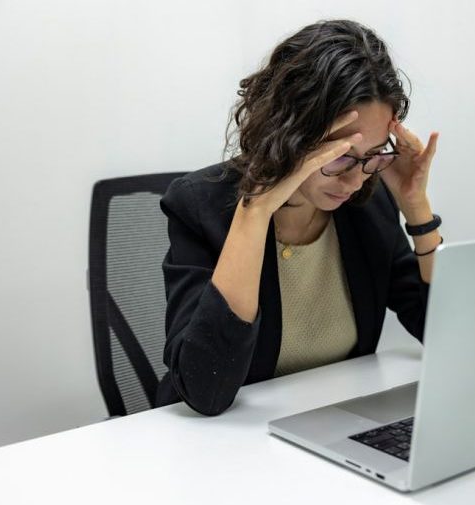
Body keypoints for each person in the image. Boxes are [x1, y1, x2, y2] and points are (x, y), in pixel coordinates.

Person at [156, 19, 442, 415]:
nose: (354, 179)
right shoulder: (200, 205)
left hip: (329, 426)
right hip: (219, 446)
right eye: (339, 154)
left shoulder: (367, 206)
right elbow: (206, 389)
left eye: (373, 155)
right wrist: (255, 212)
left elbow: (448, 336)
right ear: (287, 132)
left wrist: (417, 209)